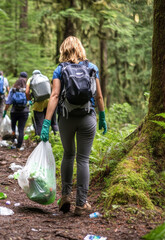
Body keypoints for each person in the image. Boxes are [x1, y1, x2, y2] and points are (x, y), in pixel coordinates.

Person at [40, 36, 107, 216]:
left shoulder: (60, 69)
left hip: (66, 118)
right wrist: (102, 116)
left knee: (68, 155)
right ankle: (81, 204)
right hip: (87, 118)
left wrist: (47, 122)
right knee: (83, 159)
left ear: (63, 50)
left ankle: (66, 196)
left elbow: (54, 96)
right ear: (80, 49)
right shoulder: (92, 68)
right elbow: (99, 96)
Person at [25, 70, 59, 136]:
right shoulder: (44, 77)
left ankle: (41, 142)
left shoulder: (30, 79)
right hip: (49, 102)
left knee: (40, 124)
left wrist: (29, 100)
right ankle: (57, 140)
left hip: (38, 104)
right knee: (54, 123)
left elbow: (27, 91)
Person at [3, 72, 29, 150]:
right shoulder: (27, 90)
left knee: (13, 127)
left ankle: (13, 141)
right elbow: (30, 100)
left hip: (14, 111)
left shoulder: (13, 89)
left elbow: (8, 102)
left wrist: (5, 111)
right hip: (24, 111)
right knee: (21, 129)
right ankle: (19, 146)